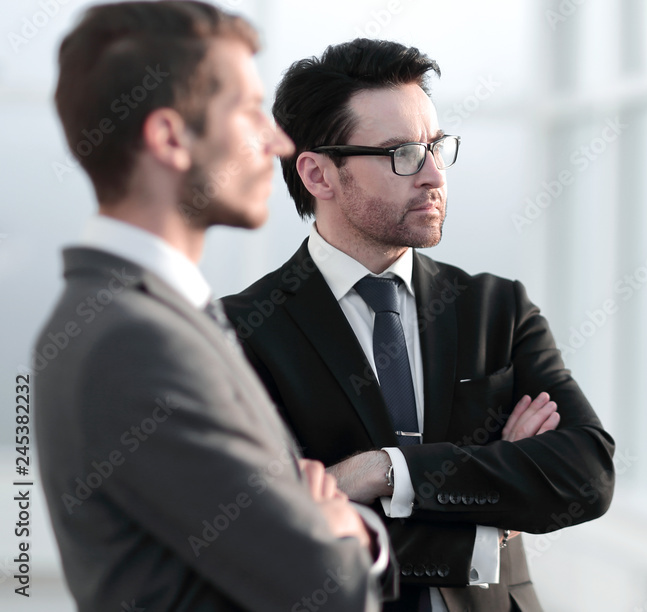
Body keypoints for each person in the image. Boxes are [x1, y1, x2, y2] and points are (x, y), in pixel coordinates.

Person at [222, 38, 616, 612]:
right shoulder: (241, 331)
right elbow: (268, 529)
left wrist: (382, 471)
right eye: (402, 153)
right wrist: (493, 506)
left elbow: (586, 475)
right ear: (318, 174)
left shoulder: (497, 309)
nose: (433, 174)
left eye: (436, 146)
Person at [35, 4, 392, 611]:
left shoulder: (145, 315)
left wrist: (322, 520)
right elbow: (324, 589)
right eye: (250, 111)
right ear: (170, 138)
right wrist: (349, 528)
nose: (278, 142)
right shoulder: (135, 340)